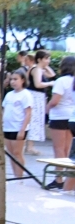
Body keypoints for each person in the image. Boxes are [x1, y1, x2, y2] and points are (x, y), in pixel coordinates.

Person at [46, 57, 75, 188]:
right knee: (67, 149)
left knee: (58, 149)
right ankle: (68, 179)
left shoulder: (61, 81)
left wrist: (46, 109)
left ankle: (58, 179)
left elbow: (55, 101)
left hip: (59, 116)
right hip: (71, 116)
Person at [2, 70, 32, 179]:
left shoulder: (26, 94)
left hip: (18, 127)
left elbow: (28, 113)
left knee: (17, 153)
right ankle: (15, 176)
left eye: (15, 79)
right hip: (7, 127)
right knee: (11, 154)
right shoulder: (9, 95)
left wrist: (22, 129)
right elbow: (4, 110)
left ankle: (19, 177)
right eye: (11, 79)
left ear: (22, 80)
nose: (13, 82)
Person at [25, 50, 53, 156]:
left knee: (35, 120)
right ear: (39, 59)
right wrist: (50, 83)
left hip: (38, 97)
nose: (48, 60)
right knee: (34, 120)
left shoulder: (39, 69)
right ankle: (30, 147)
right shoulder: (36, 69)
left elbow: (52, 74)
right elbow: (38, 84)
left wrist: (45, 65)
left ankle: (29, 146)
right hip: (35, 96)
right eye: (46, 58)